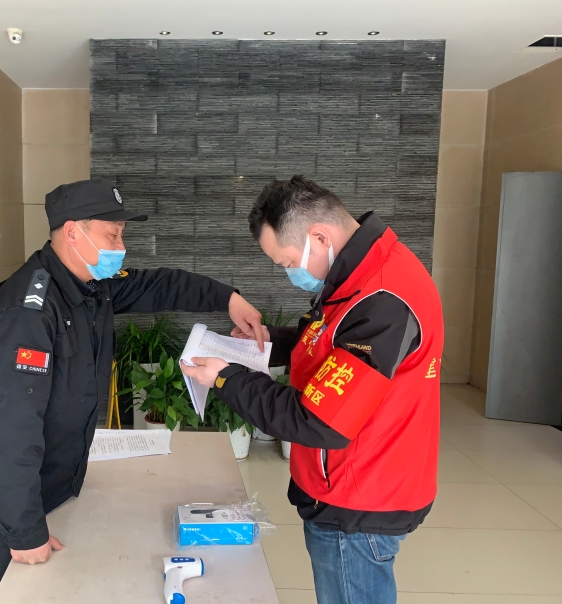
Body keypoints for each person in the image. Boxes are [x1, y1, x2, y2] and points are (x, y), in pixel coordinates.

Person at [0, 179, 264, 604]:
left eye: (121, 234)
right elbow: (11, 433)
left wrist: (229, 299)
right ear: (72, 233)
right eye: (112, 234)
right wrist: (24, 531)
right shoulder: (27, 314)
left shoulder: (89, 286)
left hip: (51, 496)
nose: (121, 246)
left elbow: (158, 285)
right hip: (2, 522)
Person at [182, 176, 443, 604]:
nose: (290, 274)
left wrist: (227, 378)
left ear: (319, 237)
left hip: (359, 497)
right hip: (356, 479)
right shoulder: (365, 271)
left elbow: (319, 421)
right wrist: (269, 342)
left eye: (287, 262)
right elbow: (332, 342)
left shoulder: (383, 299)